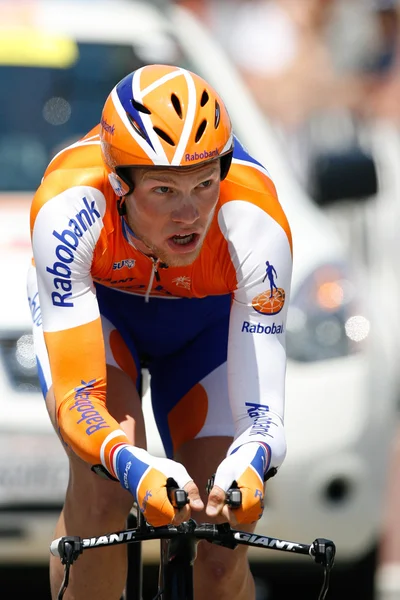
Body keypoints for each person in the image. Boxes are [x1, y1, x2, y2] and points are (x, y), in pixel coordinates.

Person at [27, 64, 292, 600]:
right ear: (120, 182)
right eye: (165, 189)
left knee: (222, 536)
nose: (190, 212)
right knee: (103, 501)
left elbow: (264, 417)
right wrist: (131, 464)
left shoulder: (256, 220)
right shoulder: (69, 205)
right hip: (106, 319)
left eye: (203, 183)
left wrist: (252, 461)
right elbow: (79, 398)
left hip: (206, 331)